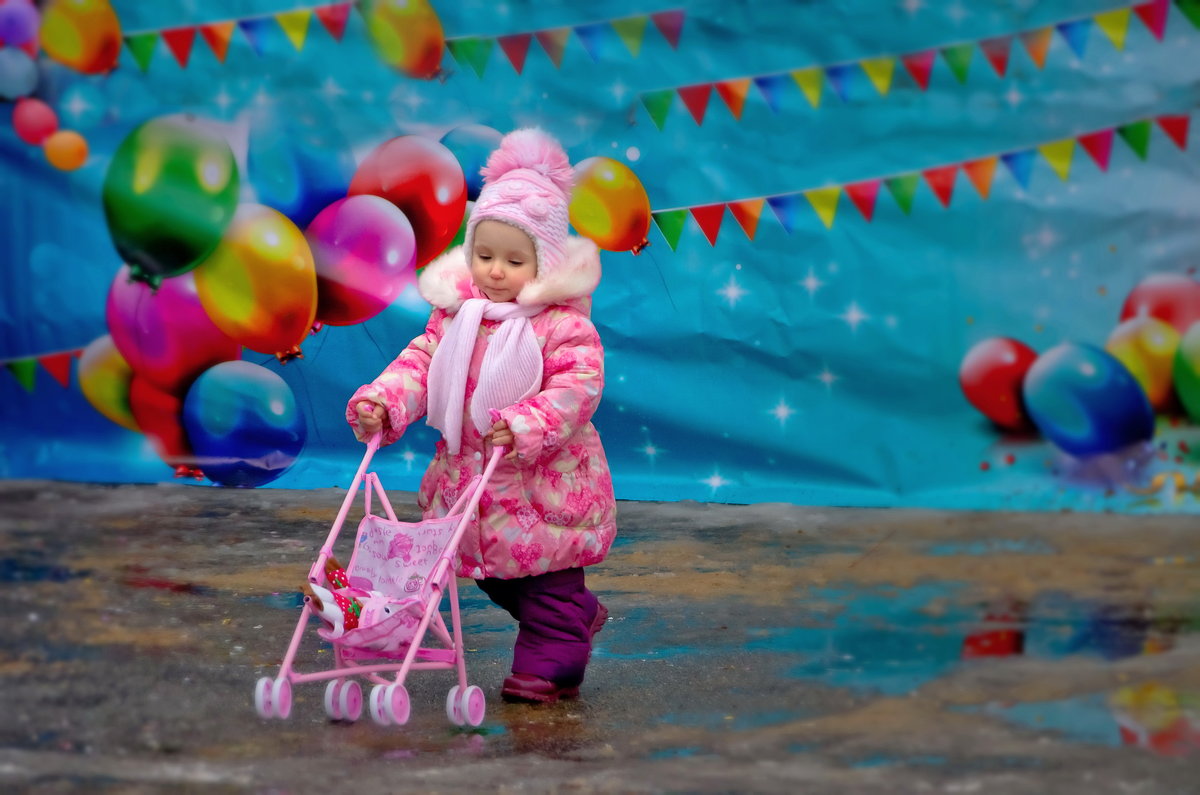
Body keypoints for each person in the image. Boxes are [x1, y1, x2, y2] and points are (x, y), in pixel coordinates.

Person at [346, 128, 616, 703]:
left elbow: (579, 386)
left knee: (547, 589)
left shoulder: (562, 326)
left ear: (543, 263)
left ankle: (550, 665)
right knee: (498, 580)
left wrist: (529, 422)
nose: (495, 271)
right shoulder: (458, 317)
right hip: (471, 484)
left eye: (515, 260)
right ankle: (577, 614)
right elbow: (420, 364)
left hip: (542, 488)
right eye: (485, 255)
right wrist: (384, 401)